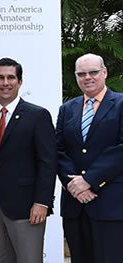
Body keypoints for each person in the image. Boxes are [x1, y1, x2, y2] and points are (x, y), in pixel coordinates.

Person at [0, 57, 57, 263]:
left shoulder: (37, 115)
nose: (5, 83)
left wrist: (42, 202)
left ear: (20, 82)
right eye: (0, 78)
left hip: (27, 208)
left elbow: (48, 163)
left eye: (10, 78)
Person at [57, 53, 123, 263]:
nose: (88, 77)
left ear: (104, 73)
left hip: (110, 203)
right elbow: (58, 150)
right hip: (75, 204)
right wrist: (72, 184)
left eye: (93, 72)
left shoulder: (121, 103)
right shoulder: (67, 109)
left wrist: (89, 180)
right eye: (81, 74)